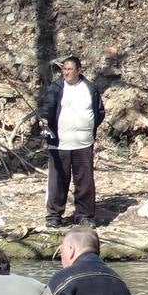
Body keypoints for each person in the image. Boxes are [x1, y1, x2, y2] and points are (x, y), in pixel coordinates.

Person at [38, 55, 106, 228]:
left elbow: (99, 112)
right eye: (64, 69)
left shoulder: (90, 88)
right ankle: (54, 215)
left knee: (84, 181)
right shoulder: (56, 87)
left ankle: (84, 215)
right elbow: (47, 106)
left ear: (79, 70)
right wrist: (45, 119)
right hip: (60, 143)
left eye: (70, 69)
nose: (66, 72)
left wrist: (88, 129)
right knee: (58, 180)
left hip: (84, 143)